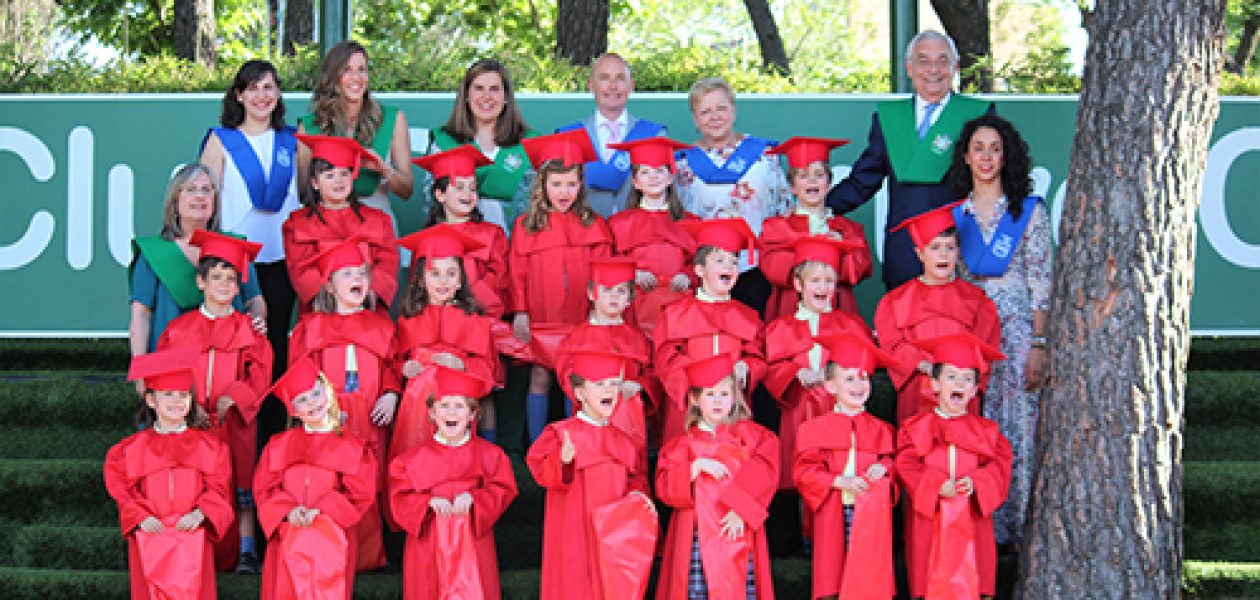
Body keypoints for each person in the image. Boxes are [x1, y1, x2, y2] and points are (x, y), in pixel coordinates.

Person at [947, 114, 1053, 549]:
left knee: (1020, 425)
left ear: (1006, 155)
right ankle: (984, 523)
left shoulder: (1028, 211)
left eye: (994, 148)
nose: (986, 157)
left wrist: (1039, 343)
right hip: (973, 328)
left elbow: (1041, 278)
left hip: (1018, 327)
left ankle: (1021, 523)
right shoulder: (956, 216)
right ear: (966, 157)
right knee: (979, 420)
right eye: (978, 148)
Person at [826, 30, 995, 291]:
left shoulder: (977, 114)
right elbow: (864, 179)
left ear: (955, 67)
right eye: (924, 61)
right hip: (905, 248)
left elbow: (993, 179)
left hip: (959, 246)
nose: (933, 70)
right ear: (909, 67)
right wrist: (819, 209)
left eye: (942, 61)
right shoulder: (889, 118)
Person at [156, 230, 272, 573]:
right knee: (196, 483)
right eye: (216, 278)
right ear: (201, 283)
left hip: (234, 421)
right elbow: (167, 376)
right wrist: (188, 409)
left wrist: (233, 399)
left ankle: (247, 550)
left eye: (231, 279)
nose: (224, 285)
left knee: (241, 480)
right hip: (192, 423)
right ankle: (197, 545)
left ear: (239, 288)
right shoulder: (178, 330)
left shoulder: (249, 330)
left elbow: (261, 371)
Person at [287, 237, 399, 571]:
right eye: (346, 274)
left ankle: (370, 555)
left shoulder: (382, 326)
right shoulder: (311, 328)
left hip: (370, 414)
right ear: (329, 286)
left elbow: (393, 366)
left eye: (362, 273)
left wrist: (392, 394)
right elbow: (300, 376)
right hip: (328, 418)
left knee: (370, 480)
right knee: (332, 479)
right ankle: (329, 548)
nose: (357, 280)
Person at [509, 129, 613, 442]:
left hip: (580, 316)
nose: (564, 191)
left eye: (571, 183)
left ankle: (576, 439)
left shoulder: (593, 224)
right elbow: (517, 273)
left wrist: (599, 314)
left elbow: (604, 274)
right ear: (543, 186)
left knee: (576, 377)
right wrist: (520, 311)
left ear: (581, 185)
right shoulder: (527, 225)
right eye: (556, 184)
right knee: (540, 376)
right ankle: (538, 444)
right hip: (542, 315)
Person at [527, 350, 657, 600]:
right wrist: (561, 461)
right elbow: (540, 470)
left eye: (614, 384)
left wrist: (639, 495)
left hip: (613, 537)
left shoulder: (625, 441)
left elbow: (635, 480)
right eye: (599, 384)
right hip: (575, 531)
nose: (609, 390)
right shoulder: (560, 433)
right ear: (579, 393)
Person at [105, 349, 233, 600]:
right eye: (168, 394)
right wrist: (139, 516)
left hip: (191, 533)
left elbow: (219, 488)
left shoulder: (210, 446)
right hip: (152, 534)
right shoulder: (130, 450)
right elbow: (122, 490)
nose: (177, 401)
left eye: (184, 395)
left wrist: (202, 512)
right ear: (151, 400)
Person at [199, 59, 302, 373]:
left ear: (279, 93)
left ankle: (274, 422)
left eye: (268, 87)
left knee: (277, 341)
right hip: (237, 262)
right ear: (239, 95)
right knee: (240, 344)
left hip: (283, 257)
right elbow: (206, 203)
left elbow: (308, 195)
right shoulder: (220, 140)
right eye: (253, 88)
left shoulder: (293, 139)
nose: (261, 95)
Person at [896, 333, 1012, 600]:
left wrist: (977, 482)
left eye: (967, 379)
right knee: (929, 578)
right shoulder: (914, 429)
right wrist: (935, 484)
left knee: (974, 579)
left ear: (974, 390)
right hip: (931, 518)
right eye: (951, 377)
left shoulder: (989, 433)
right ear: (934, 384)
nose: (959, 383)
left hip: (972, 518)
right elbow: (906, 463)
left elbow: (998, 470)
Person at [654, 353, 779, 600]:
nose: (718, 401)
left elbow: (767, 469)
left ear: (735, 397)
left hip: (739, 533)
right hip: (697, 537)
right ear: (695, 399)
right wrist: (693, 468)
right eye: (710, 394)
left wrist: (741, 509)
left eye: (724, 393)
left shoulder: (753, 437)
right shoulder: (681, 445)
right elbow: (664, 487)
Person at [388, 365, 518, 600]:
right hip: (428, 545)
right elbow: (399, 499)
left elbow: (503, 489)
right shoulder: (409, 461)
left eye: (459, 406)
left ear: (472, 415)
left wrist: (475, 499)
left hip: (473, 542)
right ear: (431, 413)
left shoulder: (491, 456)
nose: (451, 413)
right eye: (444, 405)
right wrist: (426, 502)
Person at [254, 357, 377, 600]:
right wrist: (287, 511)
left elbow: (360, 493)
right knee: (286, 589)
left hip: (331, 535)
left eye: (316, 393)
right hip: (289, 530)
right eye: (302, 400)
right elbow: (265, 489)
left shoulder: (353, 447)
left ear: (329, 393)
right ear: (294, 410)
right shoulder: (277, 446)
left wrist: (321, 511)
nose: (312, 403)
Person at [792, 332, 898, 600]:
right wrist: (839, 481)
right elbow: (804, 472)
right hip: (833, 511)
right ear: (830, 387)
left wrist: (885, 468)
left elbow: (895, 465)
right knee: (833, 580)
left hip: (870, 516)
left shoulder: (882, 430)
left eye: (864, 378)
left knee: (869, 578)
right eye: (849, 378)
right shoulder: (813, 430)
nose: (858, 384)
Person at [873, 203, 1000, 424]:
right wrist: (924, 366)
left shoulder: (977, 301)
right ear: (919, 253)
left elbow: (984, 352)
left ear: (958, 251)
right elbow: (892, 346)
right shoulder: (896, 301)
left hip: (961, 397)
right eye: (934, 247)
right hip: (916, 394)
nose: (943, 255)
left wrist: (952, 375)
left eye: (949, 248)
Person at [129, 164, 265, 369]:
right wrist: (140, 368)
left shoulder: (234, 247)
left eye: (207, 190)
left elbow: (254, 300)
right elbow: (141, 315)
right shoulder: (153, 253)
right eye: (191, 189)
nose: (200, 196)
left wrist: (257, 318)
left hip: (225, 363)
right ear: (175, 201)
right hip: (170, 366)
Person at [763, 237, 873, 490]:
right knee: (801, 473)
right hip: (799, 409)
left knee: (837, 469)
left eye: (829, 281)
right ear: (797, 284)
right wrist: (795, 372)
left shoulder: (851, 325)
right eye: (815, 281)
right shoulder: (780, 328)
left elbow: (865, 364)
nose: (823, 287)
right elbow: (770, 368)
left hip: (840, 410)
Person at [675, 76, 790, 318]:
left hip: (755, 267)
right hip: (705, 271)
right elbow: (677, 218)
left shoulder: (765, 157)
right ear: (695, 119)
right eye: (705, 111)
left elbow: (783, 208)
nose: (715, 116)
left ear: (734, 110)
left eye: (721, 108)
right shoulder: (682, 164)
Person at [391, 225, 502, 456]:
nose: (443, 281)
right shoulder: (408, 320)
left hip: (455, 410)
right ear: (420, 280)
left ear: (461, 280)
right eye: (434, 273)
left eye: (451, 273)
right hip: (414, 409)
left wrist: (461, 366)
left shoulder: (474, 321)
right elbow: (392, 364)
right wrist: (404, 368)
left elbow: (488, 373)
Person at [653, 218, 766, 442]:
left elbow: (757, 356)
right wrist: (698, 386)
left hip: (731, 405)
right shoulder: (675, 314)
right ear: (699, 269)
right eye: (719, 260)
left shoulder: (748, 317)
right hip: (688, 407)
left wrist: (747, 366)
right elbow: (665, 357)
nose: (728, 267)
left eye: (734, 261)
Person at [297, 40, 414, 232]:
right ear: (333, 76)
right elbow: (303, 193)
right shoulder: (310, 126)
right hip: (329, 228)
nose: (356, 78)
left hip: (378, 226)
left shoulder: (392, 119)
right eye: (347, 70)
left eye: (362, 69)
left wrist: (384, 170)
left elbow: (407, 190)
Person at [554, 258, 654, 466]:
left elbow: (651, 374)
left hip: (629, 420)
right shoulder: (576, 339)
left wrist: (639, 384)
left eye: (621, 291)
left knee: (629, 468)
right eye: (607, 290)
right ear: (592, 294)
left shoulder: (638, 339)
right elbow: (567, 377)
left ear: (629, 299)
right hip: (590, 419)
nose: (614, 296)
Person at [283, 134, 399, 314]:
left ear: (353, 177)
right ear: (314, 183)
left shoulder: (377, 220)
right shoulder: (298, 223)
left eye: (345, 173)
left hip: (367, 309)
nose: (339, 181)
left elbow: (387, 264)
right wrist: (334, 302)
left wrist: (365, 295)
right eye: (329, 175)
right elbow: (301, 270)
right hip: (321, 311)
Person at [761, 136, 872, 322]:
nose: (812, 181)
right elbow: (772, 268)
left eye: (819, 175)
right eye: (803, 176)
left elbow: (860, 268)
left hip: (838, 310)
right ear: (793, 187)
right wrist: (815, 249)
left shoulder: (848, 230)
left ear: (829, 184)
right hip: (790, 313)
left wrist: (839, 248)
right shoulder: (776, 228)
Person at [427, 58, 537, 231]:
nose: (486, 97)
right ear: (466, 96)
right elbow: (431, 203)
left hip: (515, 245)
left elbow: (537, 206)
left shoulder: (529, 144)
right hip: (460, 246)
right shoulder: (444, 142)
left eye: (494, 89)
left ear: (506, 96)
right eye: (479, 88)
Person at [605, 136, 698, 338]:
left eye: (659, 171)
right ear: (635, 182)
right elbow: (609, 263)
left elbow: (700, 262)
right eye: (645, 172)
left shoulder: (691, 223)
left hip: (678, 304)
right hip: (632, 305)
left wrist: (688, 276)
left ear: (671, 177)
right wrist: (632, 274)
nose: (653, 177)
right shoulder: (618, 223)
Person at [556, 53, 668, 217]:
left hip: (639, 234)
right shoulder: (568, 137)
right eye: (604, 78)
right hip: (585, 232)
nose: (613, 86)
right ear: (591, 86)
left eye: (620, 78)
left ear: (631, 86)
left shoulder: (654, 135)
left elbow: (667, 196)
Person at [413, 144, 510, 319]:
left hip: (482, 318)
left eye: (472, 188)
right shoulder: (427, 239)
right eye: (459, 187)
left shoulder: (492, 234)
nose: (467, 193)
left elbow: (500, 281)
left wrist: (465, 298)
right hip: (437, 321)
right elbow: (418, 288)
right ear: (440, 195)